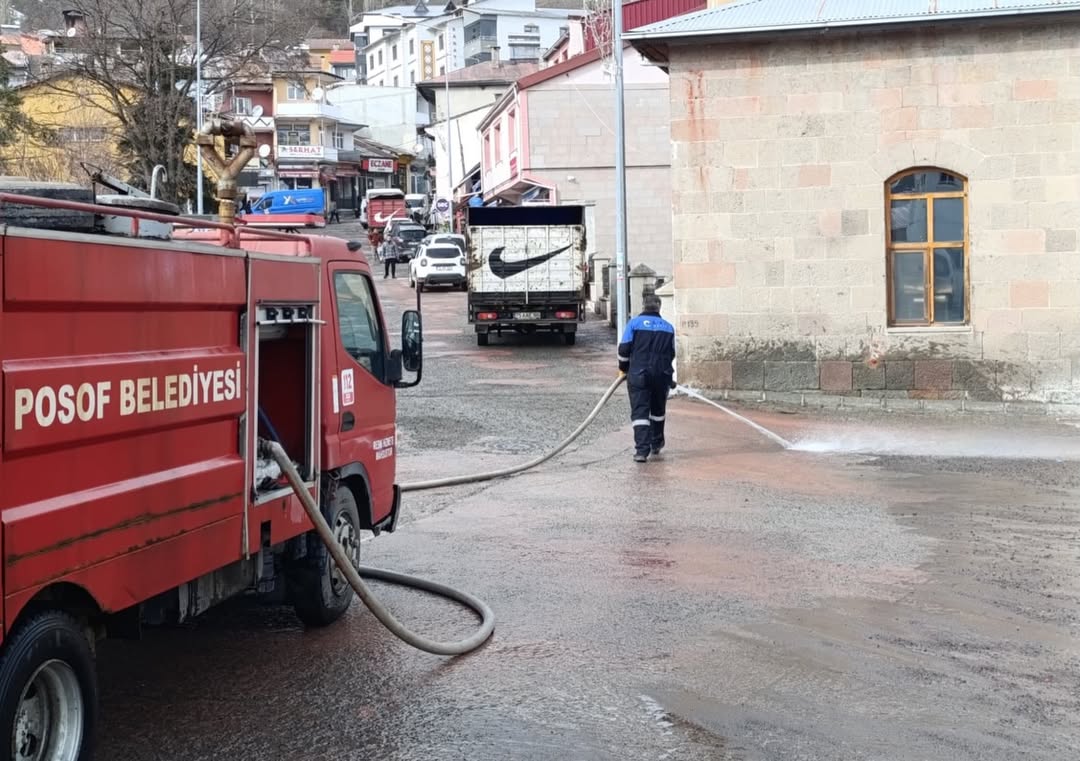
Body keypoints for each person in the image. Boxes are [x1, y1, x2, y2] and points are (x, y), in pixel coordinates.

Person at [618, 293, 676, 463]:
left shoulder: (634, 324)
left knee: (640, 412)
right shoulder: (668, 327)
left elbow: (624, 350)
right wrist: (668, 375)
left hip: (638, 375)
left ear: (643, 305)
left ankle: (642, 451)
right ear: (659, 307)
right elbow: (671, 354)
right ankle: (656, 444)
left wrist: (624, 369)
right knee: (658, 411)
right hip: (661, 376)